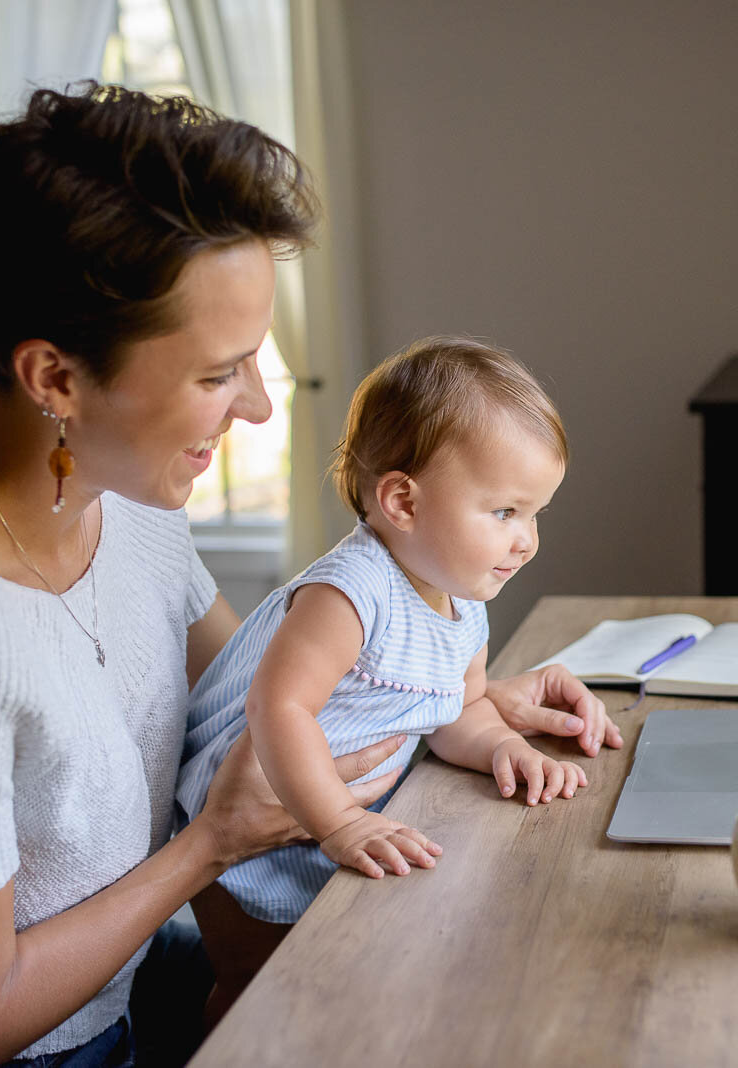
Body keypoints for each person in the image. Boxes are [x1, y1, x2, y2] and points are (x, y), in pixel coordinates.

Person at [0, 84, 619, 1068]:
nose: (259, 407)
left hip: (124, 991)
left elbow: (256, 699)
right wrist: (206, 850)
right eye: (218, 374)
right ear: (55, 378)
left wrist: (460, 695)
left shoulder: (126, 513)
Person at [176, 337, 584, 1011]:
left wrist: (505, 747)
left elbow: (461, 706)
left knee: (343, 982)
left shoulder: (461, 591)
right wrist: (338, 822)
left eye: (536, 514)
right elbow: (279, 710)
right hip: (249, 832)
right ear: (402, 502)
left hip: (345, 818)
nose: (527, 539)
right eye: (506, 512)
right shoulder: (349, 593)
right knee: (258, 990)